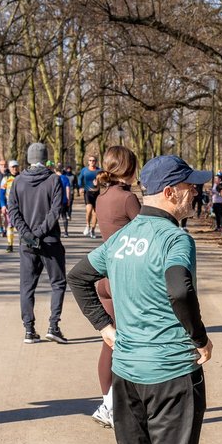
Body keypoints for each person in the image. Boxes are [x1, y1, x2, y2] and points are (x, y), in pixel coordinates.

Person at [67, 154, 213, 444]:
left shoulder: (123, 237)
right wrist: (200, 337)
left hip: (127, 372)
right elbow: (178, 288)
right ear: (170, 193)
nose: (196, 194)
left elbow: (79, 275)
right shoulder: (175, 238)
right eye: (190, 188)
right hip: (171, 373)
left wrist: (104, 327)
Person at [86, 146, 142, 429]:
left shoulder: (103, 196)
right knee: (130, 343)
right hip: (125, 277)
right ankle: (112, 406)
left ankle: (107, 400)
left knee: (109, 343)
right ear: (129, 169)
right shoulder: (128, 198)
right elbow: (146, 231)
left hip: (105, 276)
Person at [6, 144, 67, 344]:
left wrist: (28, 234)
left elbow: (12, 211)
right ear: (45, 157)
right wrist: (40, 233)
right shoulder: (54, 180)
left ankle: (29, 329)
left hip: (27, 243)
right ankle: (53, 326)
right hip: (49, 240)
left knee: (27, 287)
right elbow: (55, 210)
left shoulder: (17, 181)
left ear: (28, 158)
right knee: (57, 283)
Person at [78, 155, 101, 238]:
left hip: (97, 193)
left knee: (96, 213)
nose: (92, 162)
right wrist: (80, 187)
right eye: (90, 160)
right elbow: (79, 179)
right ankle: (87, 225)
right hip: (88, 192)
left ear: (96, 162)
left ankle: (93, 230)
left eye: (93, 160)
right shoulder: (84, 170)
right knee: (89, 210)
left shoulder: (99, 170)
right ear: (88, 162)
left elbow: (104, 180)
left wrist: (98, 183)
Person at [0, 161, 20, 250]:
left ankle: (23, 244)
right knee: (10, 225)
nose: (14, 169)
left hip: (21, 205)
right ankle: (10, 244)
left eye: (16, 167)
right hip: (10, 205)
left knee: (22, 225)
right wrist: (3, 205)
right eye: (13, 167)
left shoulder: (22, 177)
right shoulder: (5, 179)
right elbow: (1, 194)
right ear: (10, 168)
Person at [54, 163, 71, 238]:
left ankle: (56, 233)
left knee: (55, 217)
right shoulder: (65, 178)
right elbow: (68, 190)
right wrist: (68, 200)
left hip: (55, 201)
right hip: (63, 200)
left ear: (55, 170)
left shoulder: (53, 178)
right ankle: (66, 232)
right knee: (64, 216)